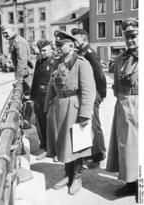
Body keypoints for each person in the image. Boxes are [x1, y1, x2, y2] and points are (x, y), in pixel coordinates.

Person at [44, 30, 96, 195]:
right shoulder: (57, 63)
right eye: (57, 45)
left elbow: (89, 91)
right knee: (63, 143)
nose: (58, 48)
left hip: (75, 107)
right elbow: (51, 87)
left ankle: (77, 176)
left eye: (61, 45)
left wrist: (85, 114)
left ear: (72, 45)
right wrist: (47, 107)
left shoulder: (82, 63)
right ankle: (68, 174)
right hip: (59, 106)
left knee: (77, 144)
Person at [106, 18, 138, 198]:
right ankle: (130, 182)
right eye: (127, 37)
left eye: (134, 36)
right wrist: (120, 97)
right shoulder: (120, 58)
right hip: (123, 105)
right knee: (125, 146)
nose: (130, 41)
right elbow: (116, 83)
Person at [71, 28, 107, 168]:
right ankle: (87, 154)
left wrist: (101, 94)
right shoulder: (81, 53)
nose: (74, 40)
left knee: (94, 124)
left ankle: (98, 156)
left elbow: (100, 74)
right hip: (85, 93)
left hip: (93, 94)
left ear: (84, 38)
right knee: (84, 123)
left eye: (76, 38)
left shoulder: (89, 53)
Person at [1, 25, 34, 129]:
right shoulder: (14, 41)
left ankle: (27, 121)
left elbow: (21, 61)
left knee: (28, 97)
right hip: (24, 74)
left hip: (26, 75)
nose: (4, 35)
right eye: (3, 33)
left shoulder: (19, 42)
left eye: (6, 32)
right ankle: (25, 120)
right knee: (24, 97)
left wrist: (18, 79)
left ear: (13, 31)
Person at [30, 40, 56, 160]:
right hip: (39, 96)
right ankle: (45, 148)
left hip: (50, 96)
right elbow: (35, 80)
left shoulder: (55, 62)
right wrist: (32, 98)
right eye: (41, 50)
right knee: (40, 122)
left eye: (44, 50)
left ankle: (55, 150)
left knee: (52, 123)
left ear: (51, 49)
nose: (42, 52)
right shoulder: (39, 61)